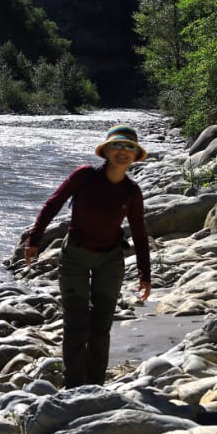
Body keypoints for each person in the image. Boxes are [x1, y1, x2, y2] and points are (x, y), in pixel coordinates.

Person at [24, 124, 151, 388]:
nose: (123, 152)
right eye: (117, 145)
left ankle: (94, 386)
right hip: (75, 257)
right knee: (76, 322)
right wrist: (34, 239)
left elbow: (139, 234)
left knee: (101, 326)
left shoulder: (131, 191)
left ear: (135, 156)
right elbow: (54, 203)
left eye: (130, 147)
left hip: (110, 259)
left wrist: (145, 275)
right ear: (106, 151)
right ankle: (73, 386)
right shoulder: (84, 176)